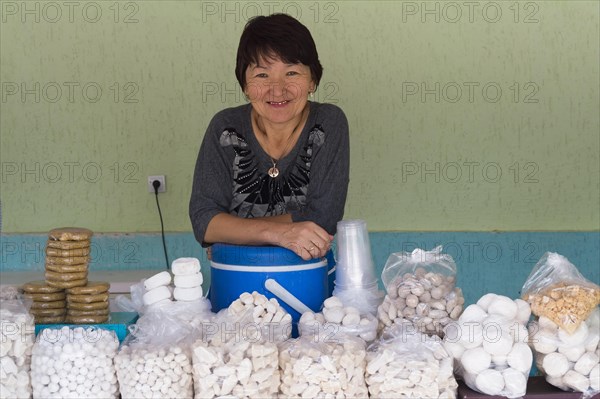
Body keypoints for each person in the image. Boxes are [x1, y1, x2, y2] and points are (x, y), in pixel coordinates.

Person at [189, 13, 349, 261]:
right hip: (236, 279)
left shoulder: (327, 123)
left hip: (307, 277)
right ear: (244, 84)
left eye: (292, 73)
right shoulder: (225, 128)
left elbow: (323, 217)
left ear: (312, 80)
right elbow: (204, 221)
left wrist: (232, 230)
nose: (277, 89)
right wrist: (281, 233)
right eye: (262, 75)